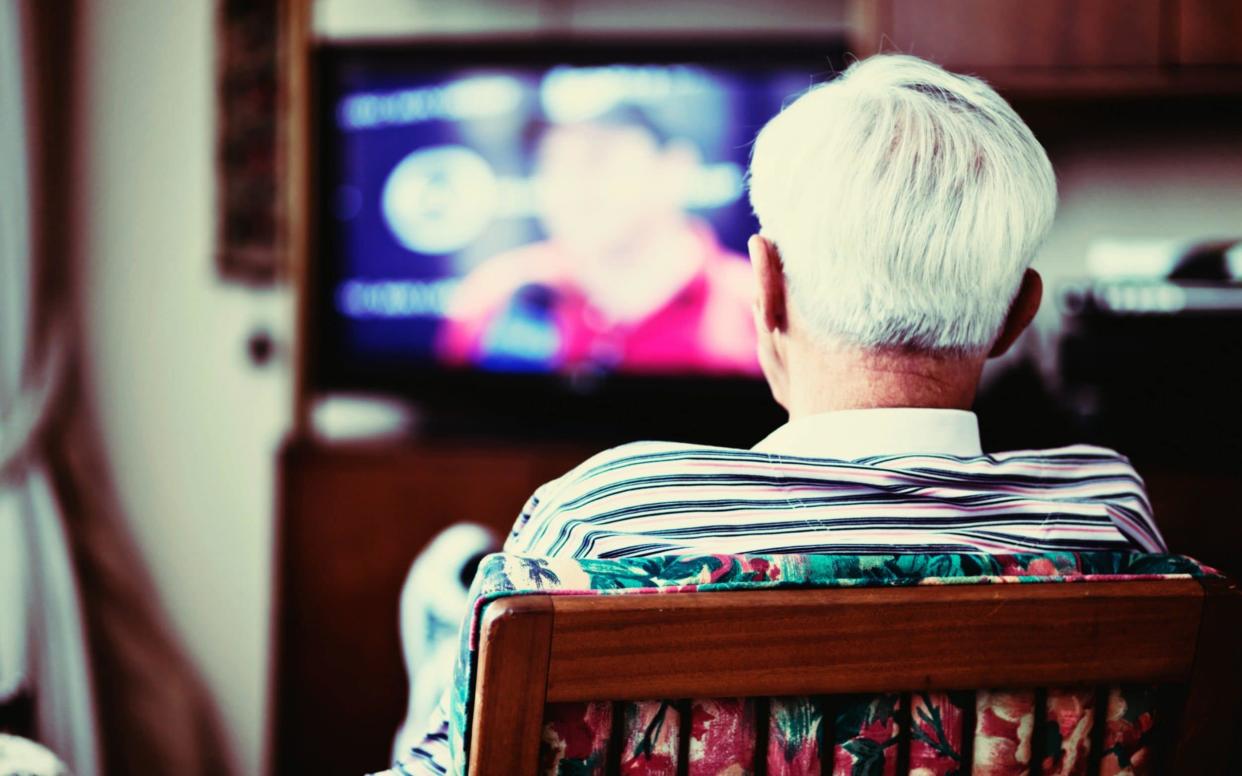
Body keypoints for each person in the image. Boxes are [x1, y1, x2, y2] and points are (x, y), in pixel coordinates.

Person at [391, 54, 1166, 775]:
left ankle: (446, 640)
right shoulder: (1107, 517)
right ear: (1017, 313)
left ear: (765, 287)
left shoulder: (608, 515)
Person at [436, 108, 759, 375]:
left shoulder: (759, 311)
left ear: (675, 166)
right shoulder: (493, 297)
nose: (569, 185)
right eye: (551, 161)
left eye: (596, 157)